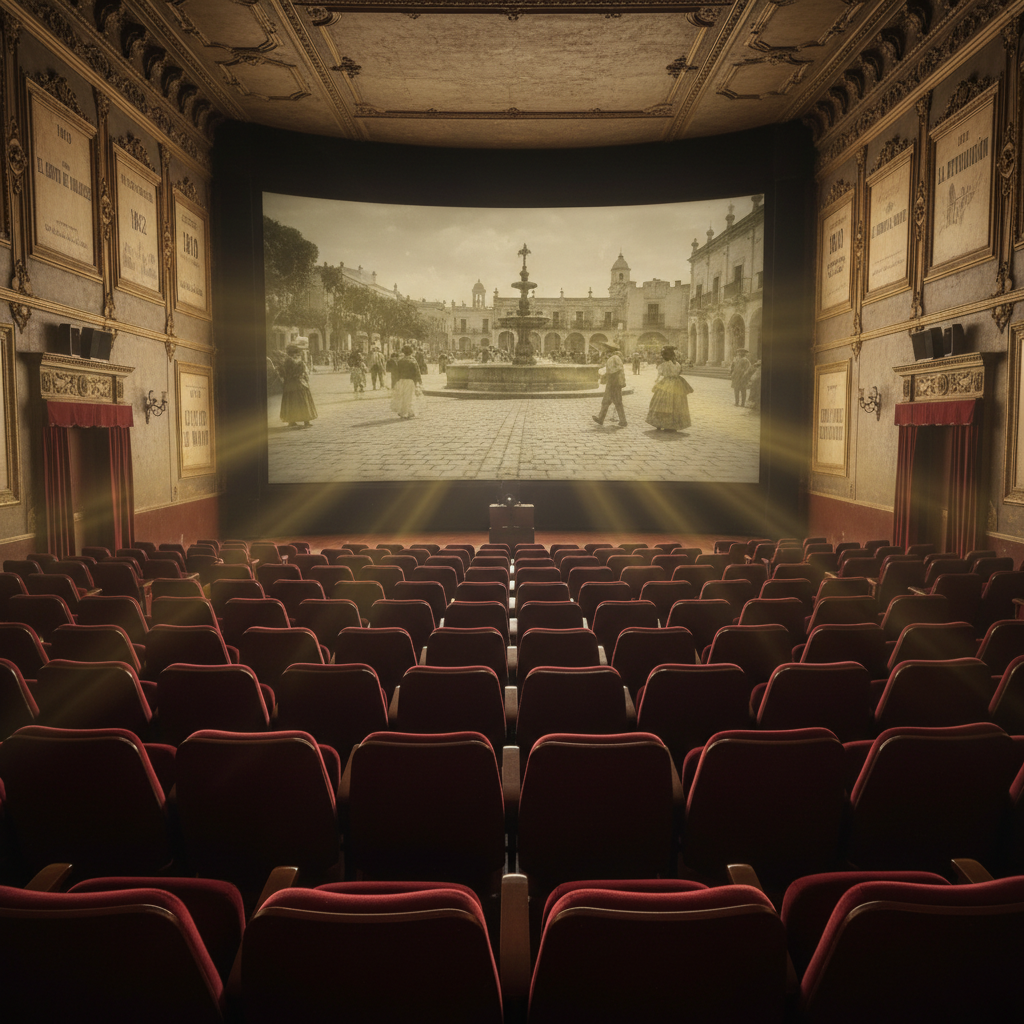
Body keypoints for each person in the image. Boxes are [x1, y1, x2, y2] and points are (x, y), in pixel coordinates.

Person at [645, 345, 693, 432]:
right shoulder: (677, 364)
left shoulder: (663, 365)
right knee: (676, 403)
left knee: (662, 403)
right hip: (677, 384)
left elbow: (660, 374)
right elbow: (678, 372)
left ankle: (660, 422)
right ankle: (672, 424)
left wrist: (657, 382)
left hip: (666, 383)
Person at [279, 344, 317, 428]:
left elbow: (283, 373)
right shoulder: (294, 362)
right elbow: (299, 371)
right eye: (296, 353)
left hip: (289, 385)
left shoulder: (286, 361)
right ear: (293, 353)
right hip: (297, 384)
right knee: (302, 401)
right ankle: (306, 421)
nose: (297, 355)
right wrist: (302, 365)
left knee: (291, 402)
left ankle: (292, 421)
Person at [592, 339, 627, 428]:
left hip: (614, 381)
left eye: (605, 348)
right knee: (608, 400)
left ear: (609, 349)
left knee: (616, 401)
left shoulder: (615, 358)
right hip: (612, 381)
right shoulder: (612, 358)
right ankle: (601, 419)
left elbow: (618, 369)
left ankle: (622, 421)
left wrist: (608, 374)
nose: (603, 350)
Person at [391, 344, 423, 419]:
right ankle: (409, 412)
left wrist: (395, 382)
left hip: (401, 381)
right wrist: (419, 381)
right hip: (410, 381)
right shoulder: (413, 361)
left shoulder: (400, 361)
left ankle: (403, 411)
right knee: (409, 397)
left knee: (403, 396)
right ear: (411, 352)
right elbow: (417, 372)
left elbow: (396, 372)